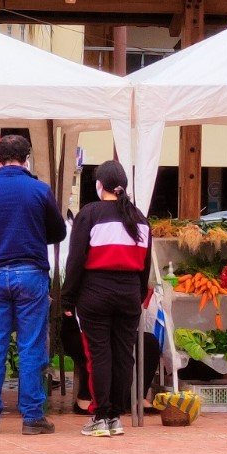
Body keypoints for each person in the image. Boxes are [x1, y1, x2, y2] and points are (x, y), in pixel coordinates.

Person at [0, 135, 66, 435]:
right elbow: (58, 232)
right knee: (30, 346)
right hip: (31, 275)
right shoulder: (40, 190)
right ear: (26, 159)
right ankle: (32, 417)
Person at [61, 160, 152, 437]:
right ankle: (115, 417)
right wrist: (138, 296)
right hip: (129, 293)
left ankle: (100, 416)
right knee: (124, 356)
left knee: (99, 354)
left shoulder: (90, 214)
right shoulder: (140, 218)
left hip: (95, 292)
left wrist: (68, 299)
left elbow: (75, 260)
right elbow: (145, 266)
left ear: (100, 186)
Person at [61, 322, 161, 415]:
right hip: (81, 328)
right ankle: (85, 397)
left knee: (149, 341)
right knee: (97, 343)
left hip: (116, 328)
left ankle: (137, 396)